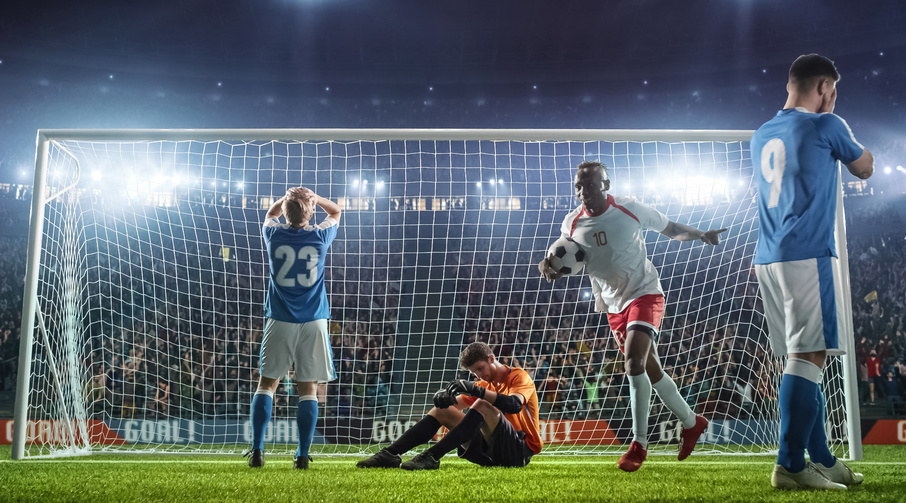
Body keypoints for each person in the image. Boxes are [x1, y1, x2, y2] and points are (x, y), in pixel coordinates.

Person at [537, 160, 723, 472]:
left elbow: (671, 229)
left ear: (605, 185)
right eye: (579, 187)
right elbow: (557, 259)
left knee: (633, 363)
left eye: (590, 184)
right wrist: (548, 267)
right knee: (650, 370)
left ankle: (638, 445)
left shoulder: (629, 208)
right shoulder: (570, 223)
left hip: (645, 292)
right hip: (612, 304)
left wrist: (701, 234)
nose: (583, 192)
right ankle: (692, 422)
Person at [750, 54, 873, 490]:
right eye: (833, 91)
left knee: (802, 360)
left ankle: (821, 457)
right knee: (810, 358)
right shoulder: (827, 124)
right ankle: (790, 465)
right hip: (807, 254)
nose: (833, 99)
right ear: (823, 86)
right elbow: (865, 166)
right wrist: (840, 127)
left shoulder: (762, 133)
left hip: (768, 255)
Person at [247, 187, 341, 470]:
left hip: (279, 318)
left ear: (287, 211)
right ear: (310, 210)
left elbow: (270, 213)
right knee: (308, 388)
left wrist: (287, 200)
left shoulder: (273, 235)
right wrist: (315, 198)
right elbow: (335, 210)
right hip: (313, 320)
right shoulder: (320, 236)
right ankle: (302, 454)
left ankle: (257, 450)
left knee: (267, 385)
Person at [356, 341, 542, 470]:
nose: (478, 375)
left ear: (491, 359)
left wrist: (475, 390)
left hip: (519, 452)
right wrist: (444, 397)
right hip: (491, 454)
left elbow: (514, 405)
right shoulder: (485, 385)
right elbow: (456, 403)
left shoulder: (518, 376)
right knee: (441, 411)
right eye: (474, 372)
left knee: (482, 403)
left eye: (479, 368)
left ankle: (432, 456)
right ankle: (390, 454)